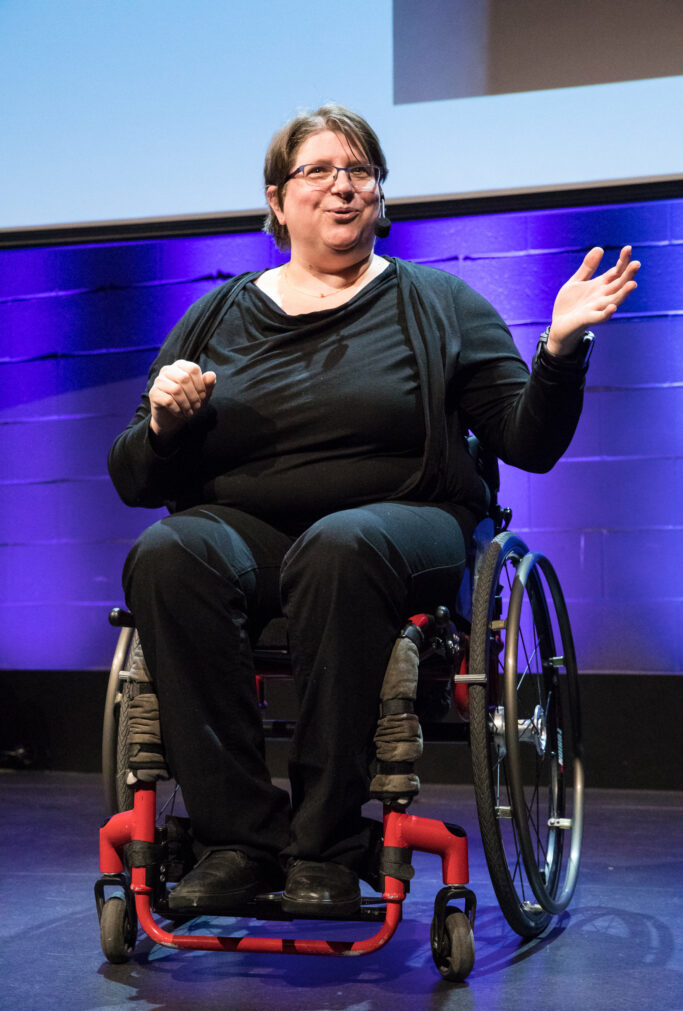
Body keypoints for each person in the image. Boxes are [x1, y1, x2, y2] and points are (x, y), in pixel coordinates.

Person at [108, 103, 640, 918]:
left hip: (404, 522)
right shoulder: (216, 315)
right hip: (248, 533)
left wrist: (560, 351)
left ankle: (324, 845)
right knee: (167, 554)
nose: (342, 187)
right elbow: (134, 479)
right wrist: (163, 425)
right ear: (277, 200)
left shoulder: (438, 304)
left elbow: (526, 444)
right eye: (318, 171)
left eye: (360, 171)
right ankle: (239, 841)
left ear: (380, 197)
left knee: (341, 545)